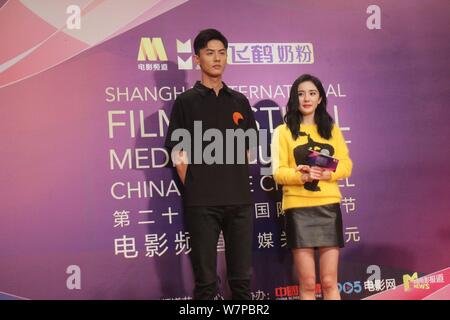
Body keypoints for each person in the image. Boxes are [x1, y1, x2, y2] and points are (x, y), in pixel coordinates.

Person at [164, 29, 257, 300]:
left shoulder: (239, 100)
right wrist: (197, 185)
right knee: (205, 284)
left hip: (239, 202)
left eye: (221, 52)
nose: (217, 58)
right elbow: (179, 153)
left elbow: (249, 150)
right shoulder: (186, 102)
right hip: (202, 203)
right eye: (209, 53)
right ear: (197, 58)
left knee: (241, 282)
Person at [271, 74, 353, 300]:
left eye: (312, 93)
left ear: (320, 99)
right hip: (298, 209)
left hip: (328, 206)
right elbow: (278, 172)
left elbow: (346, 165)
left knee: (329, 282)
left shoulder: (331, 130)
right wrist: (301, 176)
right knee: (307, 284)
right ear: (293, 98)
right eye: (300, 93)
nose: (306, 98)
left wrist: (329, 173)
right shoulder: (283, 131)